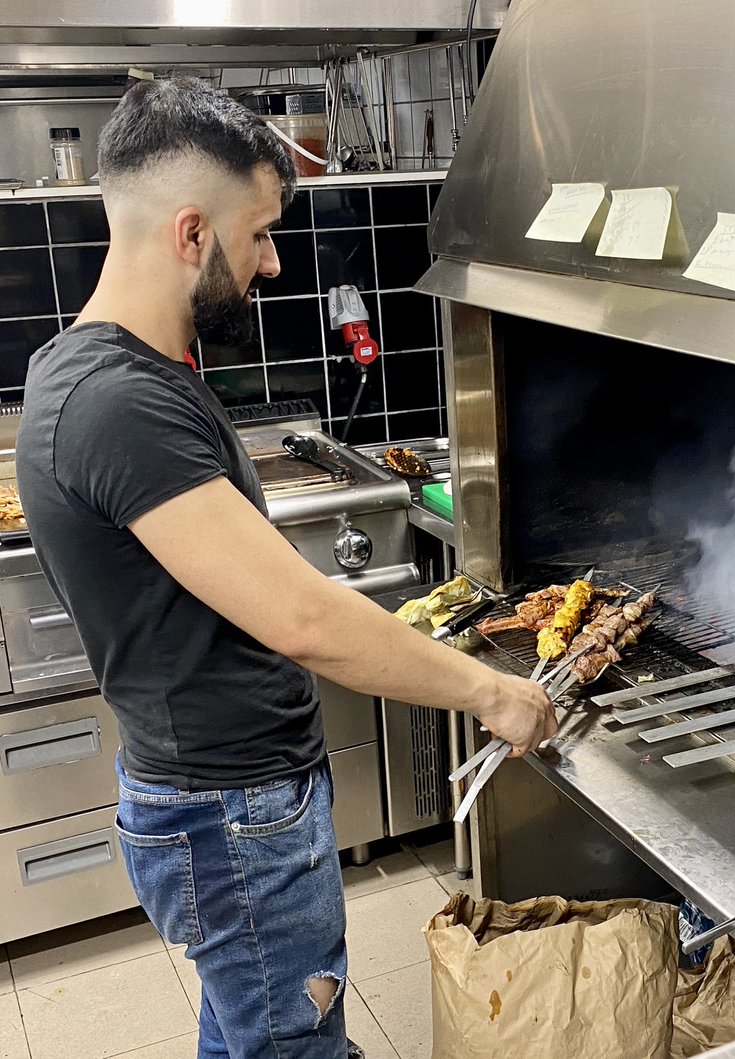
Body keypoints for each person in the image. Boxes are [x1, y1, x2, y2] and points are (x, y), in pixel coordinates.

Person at [15, 76, 556, 1059]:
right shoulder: (119, 404)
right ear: (190, 233)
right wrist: (490, 691)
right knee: (290, 1045)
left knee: (249, 1030)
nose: (269, 266)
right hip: (234, 815)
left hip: (210, 799)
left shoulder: (82, 365)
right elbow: (303, 620)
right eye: (258, 233)